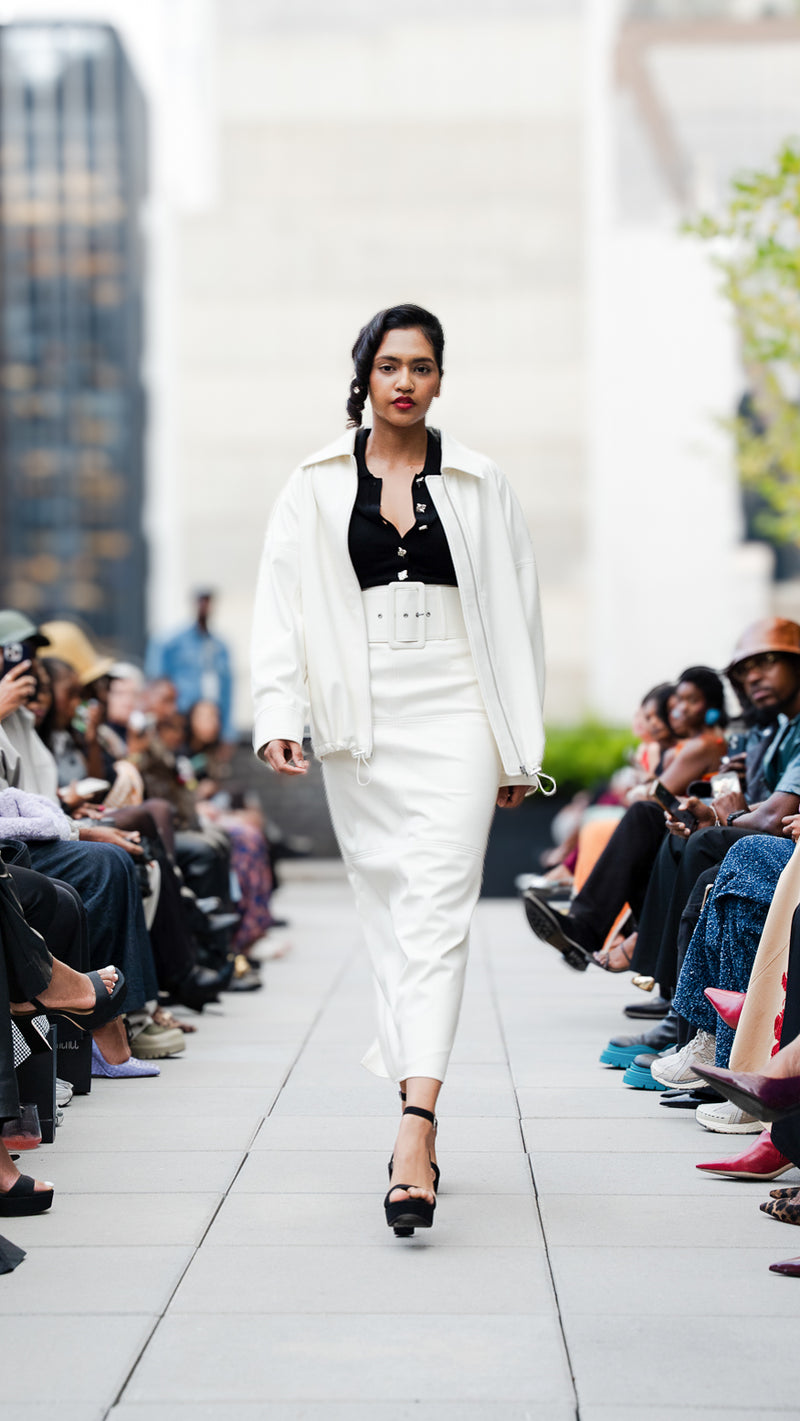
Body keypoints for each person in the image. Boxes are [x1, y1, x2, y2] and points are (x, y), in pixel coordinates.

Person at [251, 303, 548, 1238]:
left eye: (421, 366)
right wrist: (278, 713)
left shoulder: (481, 480)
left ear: (440, 378)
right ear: (366, 376)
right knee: (389, 912)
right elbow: (280, 606)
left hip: (458, 703)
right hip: (360, 714)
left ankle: (415, 1127)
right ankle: (416, 1091)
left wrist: (519, 743)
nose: (406, 381)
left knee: (438, 911)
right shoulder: (312, 482)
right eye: (390, 365)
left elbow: (520, 612)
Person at [522, 665, 729, 972]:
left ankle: (589, 928)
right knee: (629, 827)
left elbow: (653, 794)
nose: (680, 709)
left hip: (698, 831)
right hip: (690, 831)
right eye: (677, 701)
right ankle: (593, 928)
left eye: (692, 700)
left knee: (640, 816)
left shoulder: (703, 745)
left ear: (711, 708)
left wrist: (639, 790)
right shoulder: (695, 745)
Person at [147, 592, 235, 743]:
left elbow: (227, 690)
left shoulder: (219, 647)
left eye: (208, 602)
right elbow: (157, 680)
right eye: (201, 602)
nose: (204, 607)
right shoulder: (173, 643)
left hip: (211, 725)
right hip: (182, 720)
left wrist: (228, 731)